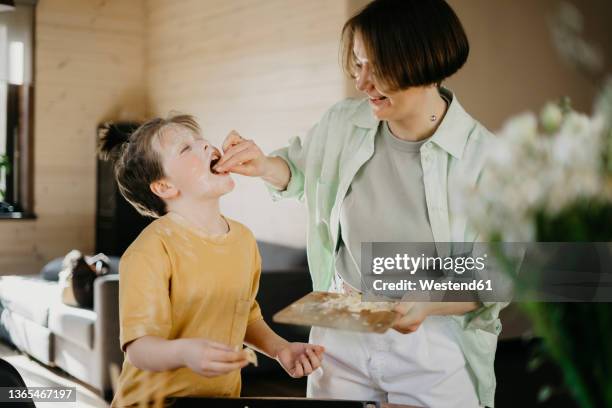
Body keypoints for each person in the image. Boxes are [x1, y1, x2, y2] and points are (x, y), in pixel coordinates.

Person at [213, 0, 506, 407]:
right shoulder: (343, 123)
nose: (362, 83)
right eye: (357, 64)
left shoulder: (485, 159)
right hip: (342, 323)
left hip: (432, 339)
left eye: (376, 67)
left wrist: (428, 301)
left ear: (421, 62)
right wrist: (263, 165)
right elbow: (299, 172)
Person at [98, 115, 324, 407]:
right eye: (186, 148)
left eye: (201, 139)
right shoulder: (150, 249)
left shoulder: (243, 240)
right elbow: (139, 349)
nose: (206, 145)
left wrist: (282, 350)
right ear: (165, 187)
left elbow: (246, 317)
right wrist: (184, 352)